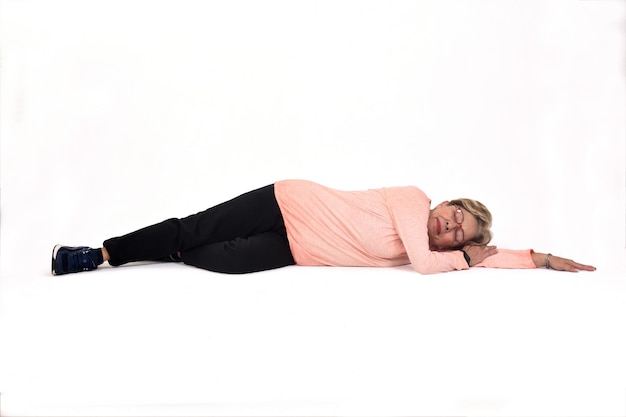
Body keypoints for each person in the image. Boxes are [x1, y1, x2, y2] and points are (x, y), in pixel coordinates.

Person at [51, 180, 596, 276]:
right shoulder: (413, 200)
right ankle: (100, 253)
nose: (450, 227)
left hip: (294, 249)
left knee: (211, 259)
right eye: (454, 216)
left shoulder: (434, 250)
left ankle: (163, 250)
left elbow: (487, 257)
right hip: (286, 203)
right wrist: (462, 258)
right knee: (192, 232)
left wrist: (541, 259)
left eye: (459, 233)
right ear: (445, 201)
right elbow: (436, 266)